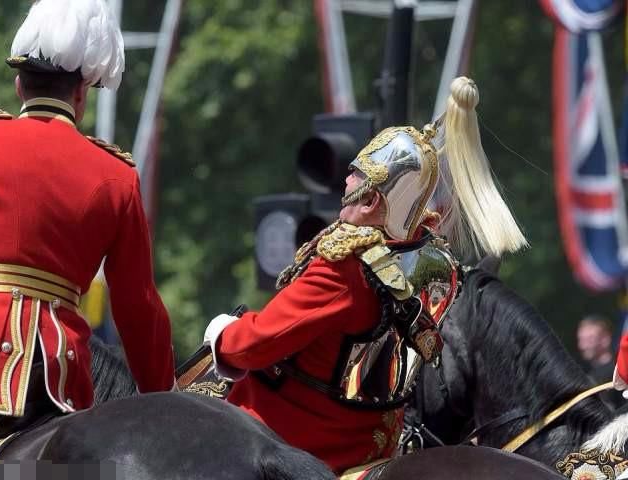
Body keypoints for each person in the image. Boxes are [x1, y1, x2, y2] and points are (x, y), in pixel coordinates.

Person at [204, 76, 528, 474]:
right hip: (377, 444)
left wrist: (222, 334)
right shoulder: (437, 262)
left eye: (356, 175)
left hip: (296, 437)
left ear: (372, 198)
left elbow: (254, 346)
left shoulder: (345, 266)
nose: (345, 181)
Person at [0, 0, 175, 441]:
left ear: (19, 86)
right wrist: (164, 398)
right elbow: (138, 308)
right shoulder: (115, 176)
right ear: (82, 92)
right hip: (48, 376)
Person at [577, 315, 624, 408]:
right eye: (581, 340)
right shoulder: (583, 374)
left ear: (605, 339)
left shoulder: (621, 371)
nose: (583, 346)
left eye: (589, 339)